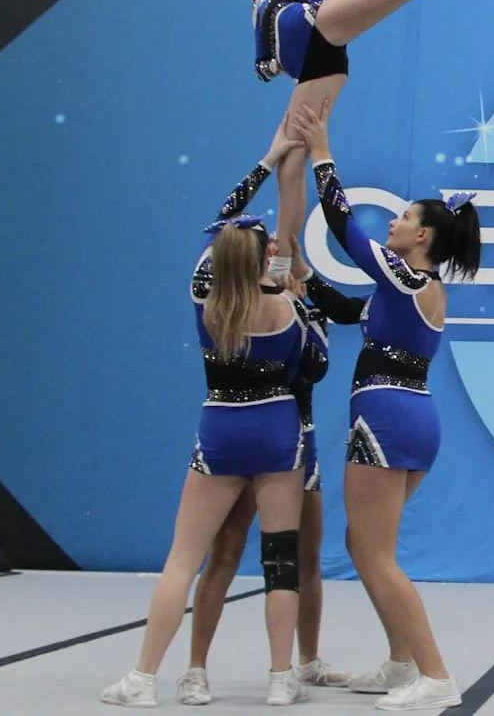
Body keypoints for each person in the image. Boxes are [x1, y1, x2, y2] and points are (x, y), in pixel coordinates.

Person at [102, 145, 321, 708]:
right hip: (278, 431)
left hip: (222, 427)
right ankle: (279, 679)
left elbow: (224, 218)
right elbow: (314, 365)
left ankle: (145, 678)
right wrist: (303, 302)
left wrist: (269, 161)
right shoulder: (286, 307)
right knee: (281, 562)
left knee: (183, 558)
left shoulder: (207, 296)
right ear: (261, 259)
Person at [289, 103, 482, 712]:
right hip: (411, 416)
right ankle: (403, 664)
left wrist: (322, 150)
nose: (394, 223)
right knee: (366, 545)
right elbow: (349, 313)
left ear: (422, 236)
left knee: (373, 554)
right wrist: (304, 279)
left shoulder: (407, 277)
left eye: (402, 218)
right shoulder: (407, 290)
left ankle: (436, 675)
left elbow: (346, 229)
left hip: (387, 418)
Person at [253, 0, 494, 263]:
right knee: (288, 163)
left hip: (319, 32)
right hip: (309, 66)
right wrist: (267, 59)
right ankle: (288, 258)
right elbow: (267, 39)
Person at [177, 255, 367, 704]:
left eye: (280, 255)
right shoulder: (233, 302)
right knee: (224, 552)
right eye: (267, 253)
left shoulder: (298, 303)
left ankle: (307, 661)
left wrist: (304, 303)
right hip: (248, 439)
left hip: (298, 437)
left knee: (305, 556)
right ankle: (195, 668)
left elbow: (315, 368)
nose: (274, 261)